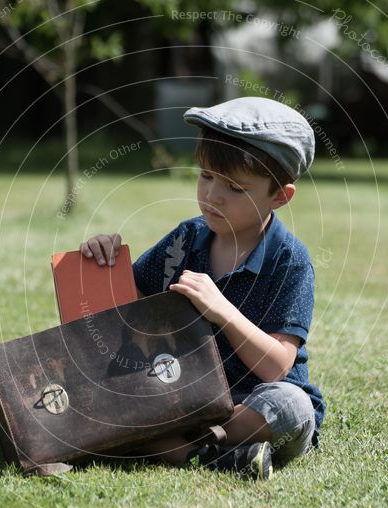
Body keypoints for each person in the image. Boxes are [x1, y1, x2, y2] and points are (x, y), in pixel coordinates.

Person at [80, 97, 325, 480]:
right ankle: (210, 454)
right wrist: (105, 263)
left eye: (235, 188)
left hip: (249, 404)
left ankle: (175, 445)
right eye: (205, 176)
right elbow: (130, 305)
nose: (212, 195)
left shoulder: (288, 259)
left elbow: (276, 365)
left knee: (292, 407)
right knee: (107, 388)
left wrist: (222, 310)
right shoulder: (186, 239)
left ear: (280, 196)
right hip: (177, 392)